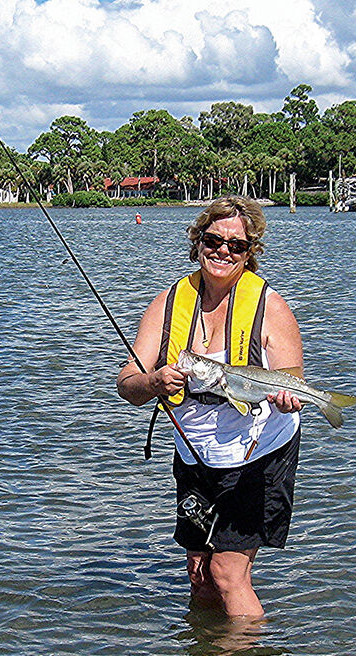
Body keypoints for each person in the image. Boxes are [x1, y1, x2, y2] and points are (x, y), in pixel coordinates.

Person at [116, 196, 304, 618]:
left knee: (226, 573)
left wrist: (292, 399)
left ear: (250, 252)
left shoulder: (270, 307)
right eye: (213, 239)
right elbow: (127, 383)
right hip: (195, 453)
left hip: (259, 455)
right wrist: (153, 381)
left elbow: (293, 379)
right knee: (199, 572)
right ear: (197, 242)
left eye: (236, 245)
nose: (223, 250)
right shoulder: (167, 304)